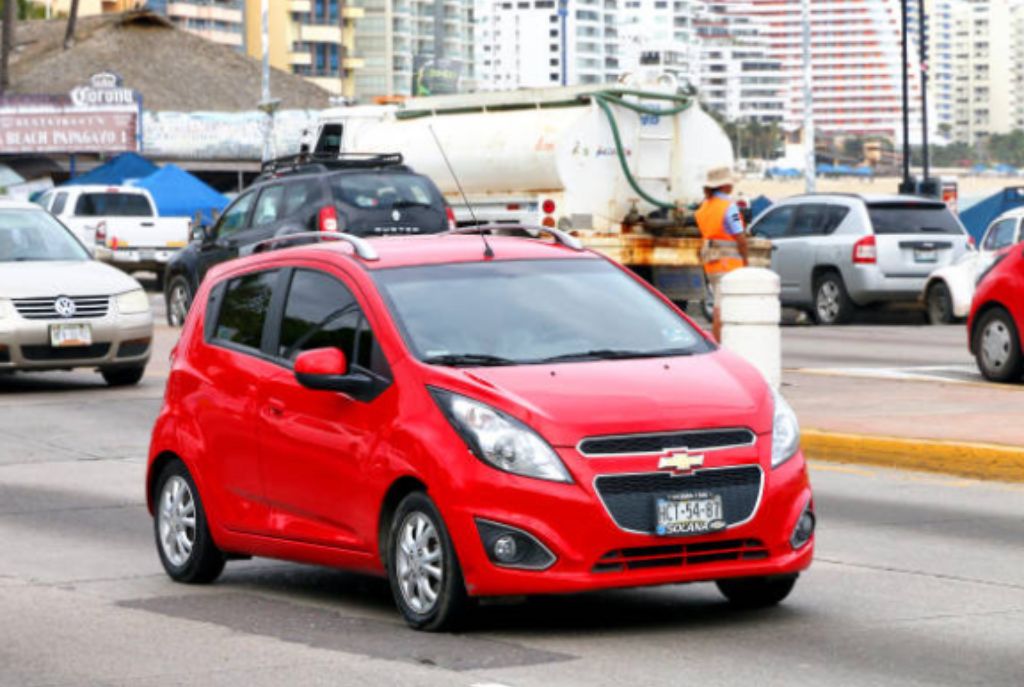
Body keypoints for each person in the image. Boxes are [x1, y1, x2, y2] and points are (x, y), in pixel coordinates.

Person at [694, 166, 749, 342]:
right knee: (723, 310)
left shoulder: (704, 207)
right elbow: (739, 236)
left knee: (721, 306)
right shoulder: (729, 208)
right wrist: (746, 262)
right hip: (729, 265)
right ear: (725, 186)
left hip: (711, 264)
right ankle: (720, 345)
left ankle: (723, 343)